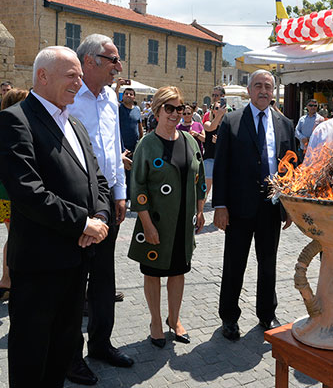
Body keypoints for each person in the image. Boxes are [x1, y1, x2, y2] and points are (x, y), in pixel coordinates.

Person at [0, 46, 110, 388]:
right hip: (39, 266)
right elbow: (28, 191)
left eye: (80, 76)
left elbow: (96, 179)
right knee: (32, 358)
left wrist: (100, 215)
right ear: (43, 76)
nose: (79, 82)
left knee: (61, 353)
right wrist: (82, 222)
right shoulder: (14, 121)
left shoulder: (75, 123)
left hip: (77, 261)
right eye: (71, 75)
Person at [67, 34, 133, 385]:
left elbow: (114, 148)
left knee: (104, 278)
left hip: (107, 198)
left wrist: (120, 194)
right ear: (89, 60)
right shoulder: (68, 99)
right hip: (77, 200)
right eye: (112, 59)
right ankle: (70, 356)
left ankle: (101, 344)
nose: (118, 67)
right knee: (76, 280)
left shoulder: (110, 98)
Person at [212, 69, 296, 341]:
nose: (263, 91)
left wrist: (290, 205)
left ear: (274, 92)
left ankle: (266, 313)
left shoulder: (285, 124)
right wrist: (220, 206)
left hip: (270, 206)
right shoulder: (232, 122)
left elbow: (292, 168)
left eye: (268, 87)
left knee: (268, 263)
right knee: (234, 263)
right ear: (249, 90)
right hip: (238, 207)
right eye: (258, 86)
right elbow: (221, 166)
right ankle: (229, 317)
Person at [128, 86, 205, 348]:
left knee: (178, 272)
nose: (175, 114)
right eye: (169, 108)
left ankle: (175, 319)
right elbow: (137, 188)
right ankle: (156, 322)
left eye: (179, 108)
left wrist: (201, 210)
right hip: (156, 222)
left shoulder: (190, 141)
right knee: (153, 273)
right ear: (157, 111)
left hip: (183, 223)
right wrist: (147, 225)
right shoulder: (146, 145)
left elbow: (200, 179)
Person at [0, 88, 28, 303]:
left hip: (5, 194)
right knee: (16, 236)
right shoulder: (12, 124)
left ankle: (7, 281)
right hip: (10, 195)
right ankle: (8, 280)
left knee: (14, 236)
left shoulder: (3, 122)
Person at [119, 86, 143, 200]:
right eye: (126, 93)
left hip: (134, 146)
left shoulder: (137, 109)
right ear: (122, 96)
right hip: (120, 146)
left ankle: (128, 197)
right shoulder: (119, 108)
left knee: (131, 173)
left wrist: (141, 141)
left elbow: (140, 126)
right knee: (120, 172)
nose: (128, 95)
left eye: (130, 94)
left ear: (134, 97)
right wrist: (118, 87)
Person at [202, 100, 225, 201]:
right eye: (216, 108)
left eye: (220, 108)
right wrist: (219, 116)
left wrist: (219, 142)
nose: (218, 110)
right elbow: (212, 128)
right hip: (209, 158)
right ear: (212, 110)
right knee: (207, 185)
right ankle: (200, 206)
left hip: (221, 159)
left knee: (222, 185)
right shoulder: (207, 122)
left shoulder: (226, 125)